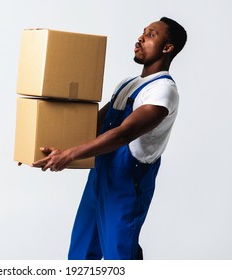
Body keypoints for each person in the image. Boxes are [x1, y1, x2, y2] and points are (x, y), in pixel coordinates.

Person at [30, 17, 187, 260]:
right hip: (99, 178)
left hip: (127, 185)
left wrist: (69, 155)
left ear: (167, 48)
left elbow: (123, 134)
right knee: (80, 255)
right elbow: (93, 126)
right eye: (142, 32)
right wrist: (39, 147)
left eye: (151, 35)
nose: (140, 38)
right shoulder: (128, 83)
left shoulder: (163, 91)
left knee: (120, 257)